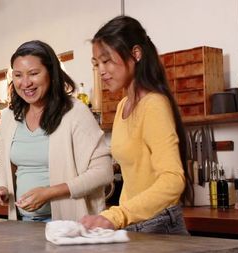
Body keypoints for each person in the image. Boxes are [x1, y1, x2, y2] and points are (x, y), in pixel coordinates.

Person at [80, 16, 191, 235]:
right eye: (97, 63)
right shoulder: (123, 106)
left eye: (107, 60)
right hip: (135, 225)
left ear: (136, 54)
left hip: (159, 225)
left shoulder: (154, 105)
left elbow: (173, 179)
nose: (101, 70)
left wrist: (116, 216)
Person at [0, 40, 113, 222]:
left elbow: (103, 172)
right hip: (23, 223)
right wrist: (1, 189)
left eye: (34, 74)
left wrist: (49, 193)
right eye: (18, 75)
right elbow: (3, 165)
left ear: (51, 73)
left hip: (68, 223)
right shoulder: (8, 117)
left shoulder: (74, 112)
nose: (25, 83)